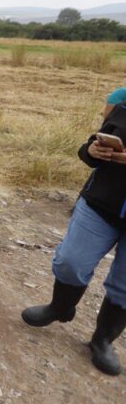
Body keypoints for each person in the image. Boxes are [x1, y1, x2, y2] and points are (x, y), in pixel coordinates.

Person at [21, 101, 126, 376]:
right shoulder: (123, 107)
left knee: (125, 285)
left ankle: (102, 340)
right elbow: (90, 150)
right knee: (71, 261)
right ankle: (60, 307)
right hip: (100, 205)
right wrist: (92, 149)